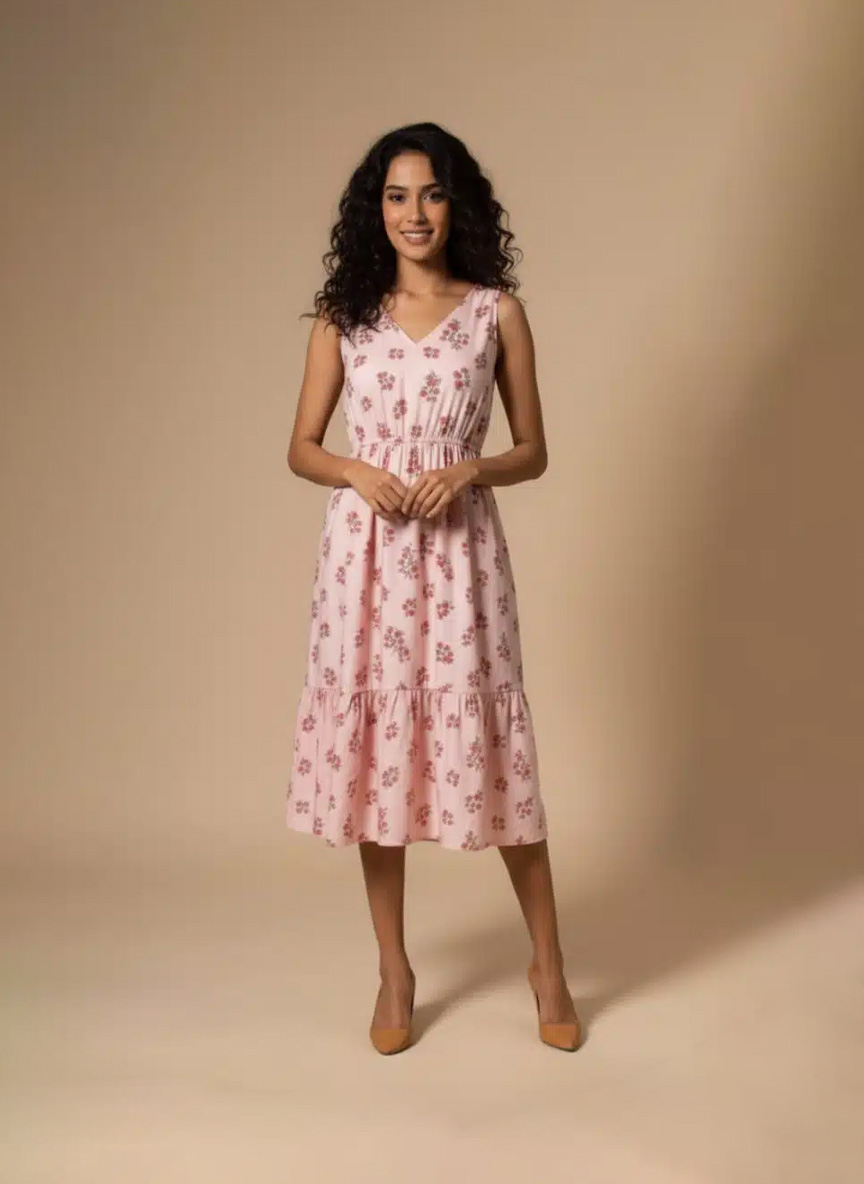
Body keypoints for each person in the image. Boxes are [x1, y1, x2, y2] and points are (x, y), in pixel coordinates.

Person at [285, 122, 581, 1055]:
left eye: (432, 193)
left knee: (490, 750)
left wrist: (470, 471)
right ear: (375, 210)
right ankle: (394, 969)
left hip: (460, 560)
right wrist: (355, 471)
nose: (414, 213)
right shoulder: (344, 316)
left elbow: (534, 450)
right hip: (365, 560)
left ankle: (549, 965)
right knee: (376, 756)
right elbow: (301, 447)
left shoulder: (496, 313)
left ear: (459, 205)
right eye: (397, 195)